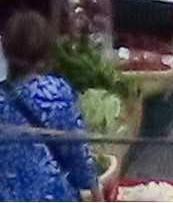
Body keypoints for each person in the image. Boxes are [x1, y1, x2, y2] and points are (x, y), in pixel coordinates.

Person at [0, 11, 100, 202]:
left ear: (4, 49)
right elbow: (77, 151)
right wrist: (95, 190)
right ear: (45, 54)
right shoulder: (57, 92)